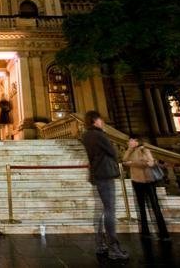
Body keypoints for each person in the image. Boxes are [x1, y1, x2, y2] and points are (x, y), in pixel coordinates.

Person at [81, 110, 129, 260]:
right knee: (109, 210)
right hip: (105, 174)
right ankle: (114, 249)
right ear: (95, 121)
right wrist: (103, 132)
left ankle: (101, 244)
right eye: (101, 120)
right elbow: (114, 152)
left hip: (96, 174)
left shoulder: (86, 135)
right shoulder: (99, 135)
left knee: (102, 210)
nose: (103, 122)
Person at [122, 134, 170, 241]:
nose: (129, 142)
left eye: (131, 141)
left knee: (155, 206)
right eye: (129, 141)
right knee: (141, 207)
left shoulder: (144, 150)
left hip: (148, 181)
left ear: (137, 141)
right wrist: (129, 150)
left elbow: (149, 163)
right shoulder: (130, 151)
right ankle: (145, 232)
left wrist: (132, 163)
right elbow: (124, 160)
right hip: (137, 181)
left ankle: (164, 233)